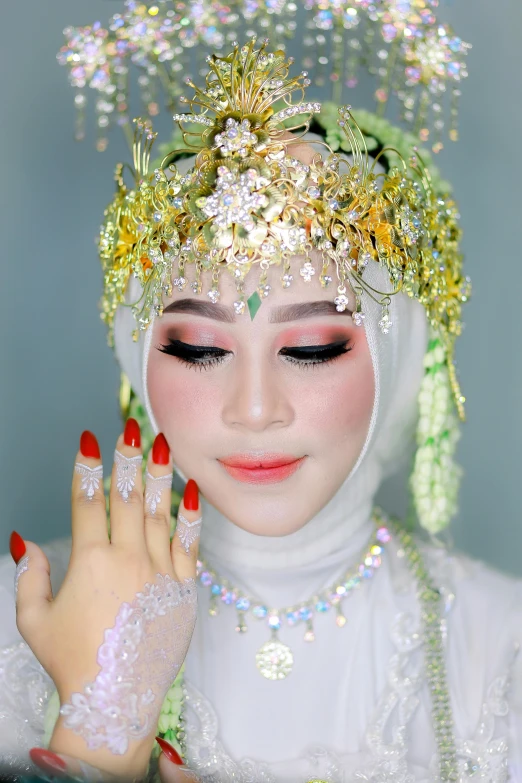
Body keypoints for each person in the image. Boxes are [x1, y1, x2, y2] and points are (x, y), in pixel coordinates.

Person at [0, 20, 521, 783]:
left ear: (403, 353)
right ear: (138, 355)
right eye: (198, 349)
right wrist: (98, 726)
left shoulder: (501, 651)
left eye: (310, 349)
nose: (253, 409)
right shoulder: (24, 622)